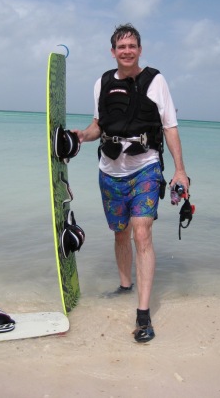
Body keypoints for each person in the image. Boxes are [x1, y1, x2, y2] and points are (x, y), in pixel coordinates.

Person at [73, 23, 189, 343]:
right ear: (113, 52)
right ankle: (125, 286)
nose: (127, 51)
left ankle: (143, 314)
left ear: (140, 50)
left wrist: (180, 171)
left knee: (142, 231)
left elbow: (170, 127)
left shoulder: (156, 80)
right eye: (121, 46)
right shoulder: (103, 82)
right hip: (109, 170)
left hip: (146, 168)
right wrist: (81, 136)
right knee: (120, 232)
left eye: (132, 46)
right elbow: (98, 124)